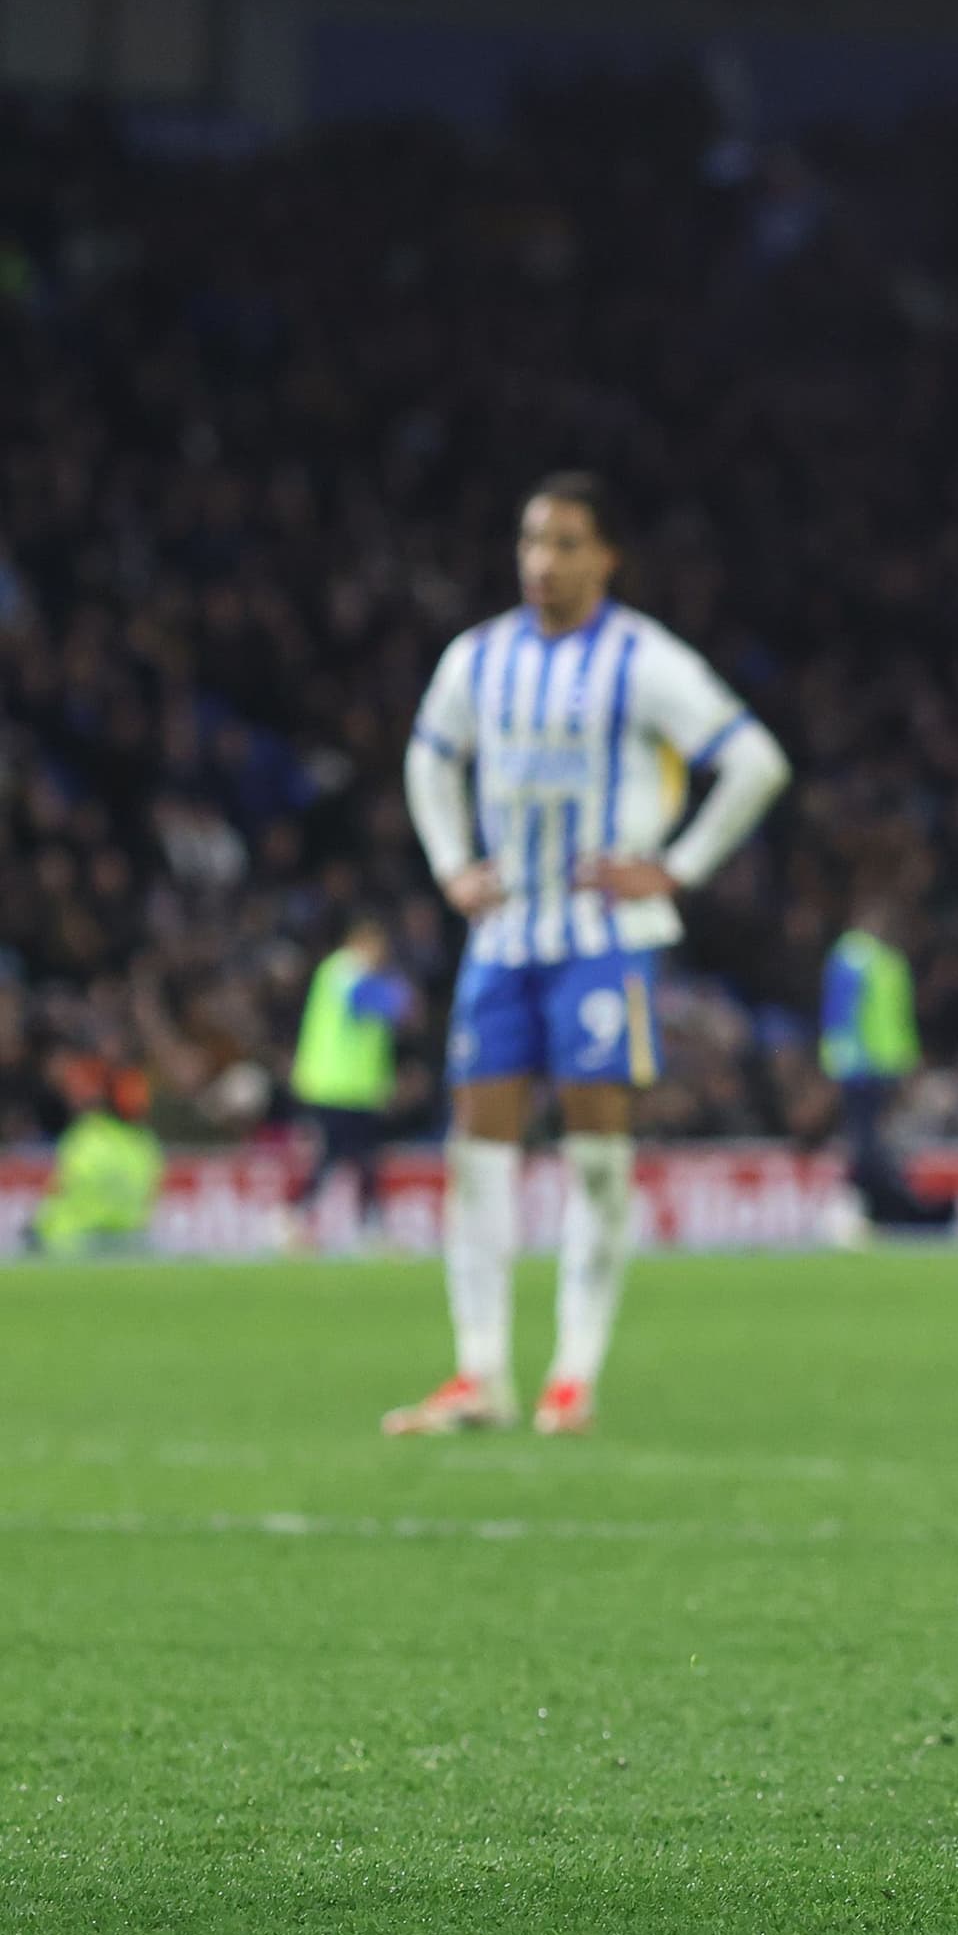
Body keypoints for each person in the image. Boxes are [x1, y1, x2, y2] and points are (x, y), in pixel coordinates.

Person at [385, 473, 792, 1439]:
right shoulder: (477, 658)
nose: (543, 561)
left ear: (606, 556)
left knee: (596, 1159)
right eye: (532, 540)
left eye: (566, 542)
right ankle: (480, 1371)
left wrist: (678, 867)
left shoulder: (642, 660)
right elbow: (428, 756)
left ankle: (573, 1372)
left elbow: (755, 761)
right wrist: (451, 866)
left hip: (602, 943)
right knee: (476, 1156)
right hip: (504, 935)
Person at [821, 902, 954, 1237]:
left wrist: (905, 1061)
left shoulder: (882, 959)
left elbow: (894, 1018)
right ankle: (862, 1210)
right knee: (865, 1140)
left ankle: (876, 1209)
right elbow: (841, 1013)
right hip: (862, 1065)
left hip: (883, 1065)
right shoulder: (855, 956)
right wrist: (841, 1058)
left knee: (875, 1141)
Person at [278, 920, 411, 1252]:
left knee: (358, 1159)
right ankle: (295, 1216)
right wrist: (400, 995)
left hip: (356, 1089)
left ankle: (363, 1225)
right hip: (331, 1085)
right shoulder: (341, 968)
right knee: (340, 1157)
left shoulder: (361, 974)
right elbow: (366, 1001)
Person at [33, 1063, 162, 1256]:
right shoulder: (146, 1145)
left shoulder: (87, 1135)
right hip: (122, 1245)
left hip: (69, 1241)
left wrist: (39, 1227)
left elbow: (60, 1187)